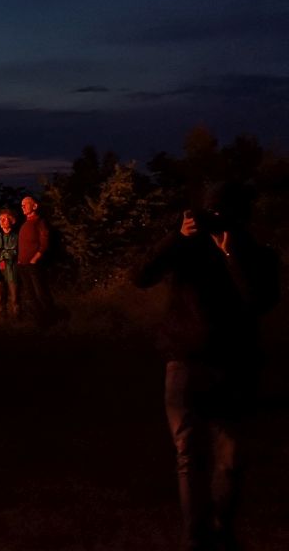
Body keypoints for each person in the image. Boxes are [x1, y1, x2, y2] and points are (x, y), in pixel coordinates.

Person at [133, 181, 280, 551]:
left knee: (230, 459)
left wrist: (232, 257)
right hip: (185, 360)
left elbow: (259, 301)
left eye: (222, 214)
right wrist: (175, 237)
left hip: (234, 364)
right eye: (209, 213)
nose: (215, 221)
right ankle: (195, 537)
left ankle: (222, 530)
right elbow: (140, 276)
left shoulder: (257, 253)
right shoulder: (186, 248)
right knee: (189, 455)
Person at [17, 196, 59, 327]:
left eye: (26, 204)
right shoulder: (25, 223)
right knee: (30, 295)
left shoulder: (39, 222)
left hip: (33, 265)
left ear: (34, 206)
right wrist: (19, 261)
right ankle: (39, 321)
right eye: (21, 204)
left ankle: (51, 320)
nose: (22, 206)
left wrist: (35, 259)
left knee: (41, 292)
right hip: (23, 265)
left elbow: (44, 242)